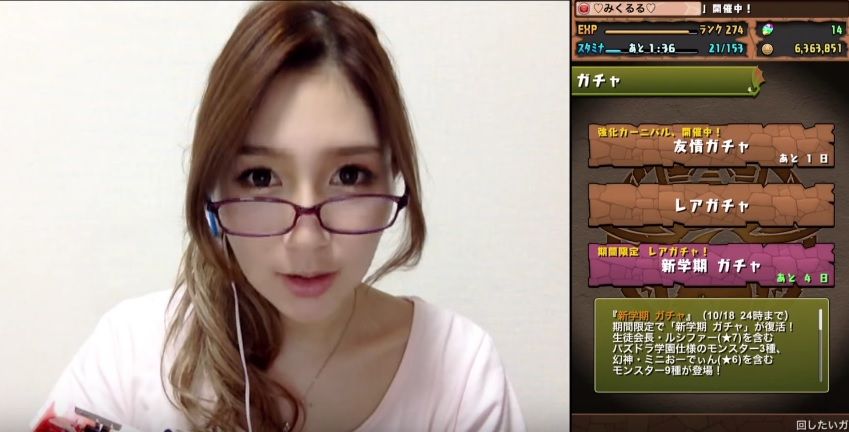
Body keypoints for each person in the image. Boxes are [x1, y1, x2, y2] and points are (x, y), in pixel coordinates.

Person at [31, 2, 526, 431]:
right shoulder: (129, 356)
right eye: (260, 177)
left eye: (350, 175)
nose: (307, 240)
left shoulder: (458, 376)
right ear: (212, 187)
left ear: (393, 176)